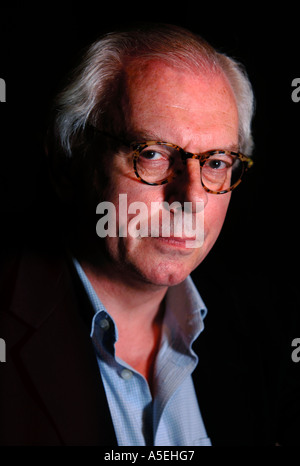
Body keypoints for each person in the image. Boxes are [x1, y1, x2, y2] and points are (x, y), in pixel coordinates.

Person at [0, 23, 274, 446]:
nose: (190, 198)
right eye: (152, 154)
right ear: (68, 163)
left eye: (217, 162)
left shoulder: (259, 332)